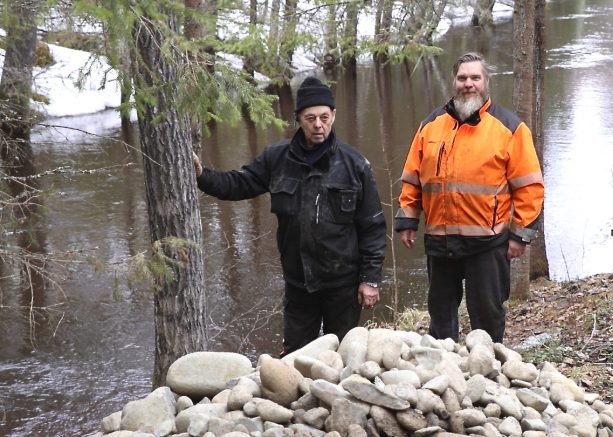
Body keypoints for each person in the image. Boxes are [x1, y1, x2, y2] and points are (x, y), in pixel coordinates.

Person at [193, 76, 386, 356]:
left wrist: (370, 279)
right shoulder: (277, 157)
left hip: (343, 284)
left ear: (333, 115)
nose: (318, 125)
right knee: (297, 356)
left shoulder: (355, 163)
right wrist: (202, 176)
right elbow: (239, 184)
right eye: (310, 118)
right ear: (298, 119)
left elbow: (373, 226)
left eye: (324, 117)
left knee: (342, 357)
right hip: (299, 283)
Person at [394, 52, 544, 344]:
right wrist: (408, 219)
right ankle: (443, 374)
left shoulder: (509, 128)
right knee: (440, 315)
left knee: (487, 317)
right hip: (440, 240)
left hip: (487, 243)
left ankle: (488, 376)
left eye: (475, 77)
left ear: (486, 82)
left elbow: (529, 187)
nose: (468, 84)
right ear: (454, 81)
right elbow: (412, 177)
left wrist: (520, 236)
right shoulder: (430, 126)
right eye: (462, 78)